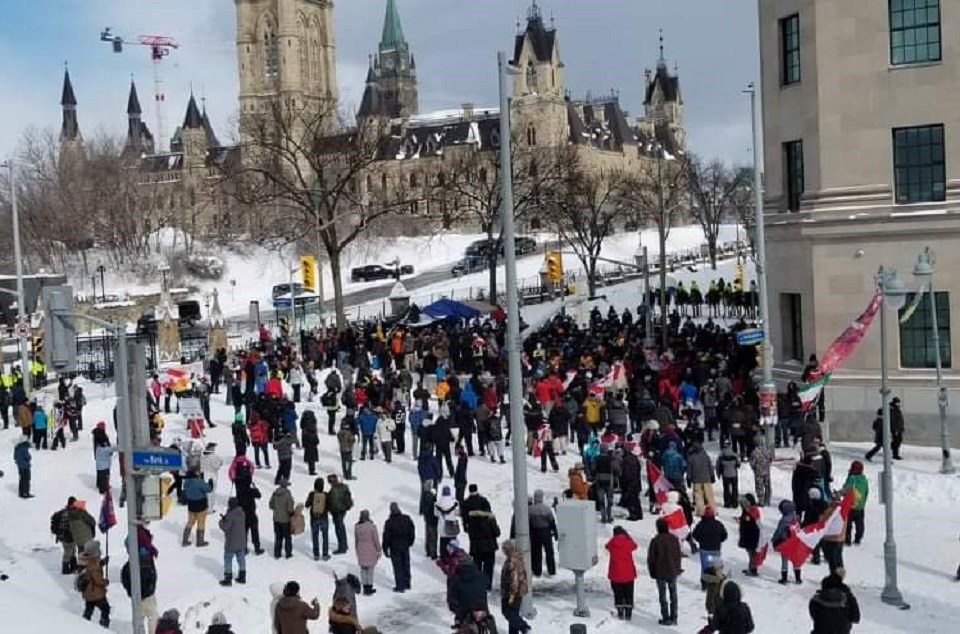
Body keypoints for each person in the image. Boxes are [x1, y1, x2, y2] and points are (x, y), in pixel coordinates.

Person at [648, 517, 682, 626]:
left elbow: (651, 559)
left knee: (662, 596)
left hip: (660, 572)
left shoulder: (655, 540)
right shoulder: (674, 539)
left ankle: (666, 617)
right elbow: (678, 555)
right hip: (672, 571)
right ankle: (674, 616)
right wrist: (678, 568)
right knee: (673, 595)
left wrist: (652, 572)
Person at [121, 553, 159, 634]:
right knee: (152, 617)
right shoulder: (148, 560)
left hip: (137, 596)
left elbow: (124, 577)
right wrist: (151, 589)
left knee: (139, 618)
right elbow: (154, 577)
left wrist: (130, 591)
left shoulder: (131, 562)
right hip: (148, 596)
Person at [382, 501, 415, 592]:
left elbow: (386, 537)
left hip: (394, 548)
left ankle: (400, 586)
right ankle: (407, 583)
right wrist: (410, 542)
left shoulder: (389, 522)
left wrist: (385, 548)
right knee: (406, 564)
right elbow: (412, 531)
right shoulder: (406, 518)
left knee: (398, 567)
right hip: (405, 546)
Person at [606, 526, 638, 620]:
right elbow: (635, 545)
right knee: (629, 593)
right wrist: (628, 537)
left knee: (618, 593)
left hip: (615, 573)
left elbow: (606, 546)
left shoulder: (612, 543)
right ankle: (628, 613)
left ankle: (620, 611)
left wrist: (614, 538)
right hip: (628, 573)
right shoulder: (628, 543)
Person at [77, 539, 110, 627]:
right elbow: (98, 579)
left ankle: (84, 625)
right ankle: (104, 626)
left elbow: (93, 570)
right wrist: (105, 582)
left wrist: (102, 562)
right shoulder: (93, 565)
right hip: (96, 592)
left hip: (88, 592)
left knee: (89, 610)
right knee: (106, 609)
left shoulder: (86, 560)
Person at [500, 540, 531, 634]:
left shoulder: (512, 562)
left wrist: (512, 596)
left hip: (512, 593)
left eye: (504, 549)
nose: (503, 551)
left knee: (508, 613)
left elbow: (514, 580)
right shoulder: (517, 558)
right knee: (513, 613)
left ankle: (524, 627)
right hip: (517, 592)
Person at [528, 489, 558, 577]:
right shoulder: (547, 508)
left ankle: (537, 571)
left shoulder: (530, 509)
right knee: (549, 552)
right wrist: (555, 532)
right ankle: (551, 570)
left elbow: (528, 522)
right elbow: (552, 522)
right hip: (546, 532)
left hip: (535, 533)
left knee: (536, 552)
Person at [692, 506, 727, 579]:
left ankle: (704, 585)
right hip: (716, 549)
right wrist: (719, 541)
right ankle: (716, 583)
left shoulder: (701, 524)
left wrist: (700, 541)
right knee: (716, 567)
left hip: (704, 549)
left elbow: (694, 535)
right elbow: (724, 535)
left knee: (705, 568)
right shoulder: (718, 524)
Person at [219, 496, 247, 586]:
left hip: (231, 541)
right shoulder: (242, 513)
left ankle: (228, 578)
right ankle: (242, 576)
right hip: (241, 540)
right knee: (241, 559)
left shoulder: (230, 515)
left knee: (228, 559)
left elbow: (225, 527)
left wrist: (221, 521)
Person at [772, 499, 802, 584]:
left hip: (786, 542)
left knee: (784, 560)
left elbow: (779, 531)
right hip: (795, 541)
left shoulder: (784, 520)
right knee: (796, 560)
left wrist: (774, 538)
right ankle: (798, 578)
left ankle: (784, 578)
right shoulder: (797, 517)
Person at [355, 509, 382, 595]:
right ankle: (369, 587)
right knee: (370, 570)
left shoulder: (357, 527)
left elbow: (356, 540)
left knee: (363, 569)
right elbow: (376, 540)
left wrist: (357, 550)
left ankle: (365, 587)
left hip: (361, 548)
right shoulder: (372, 527)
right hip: (370, 549)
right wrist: (378, 549)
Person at [182, 470, 212, 547]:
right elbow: (209, 489)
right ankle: (200, 541)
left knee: (190, 522)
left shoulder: (186, 483)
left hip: (191, 506)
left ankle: (185, 540)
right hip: (201, 505)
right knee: (201, 522)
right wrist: (210, 483)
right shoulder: (198, 482)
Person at [843, 461, 868, 546]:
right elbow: (866, 491)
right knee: (860, 523)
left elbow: (846, 489)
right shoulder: (864, 479)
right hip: (860, 506)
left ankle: (847, 540)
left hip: (851, 505)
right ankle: (858, 539)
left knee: (848, 524)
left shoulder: (852, 478)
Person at [327, 473, 353, 554]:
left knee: (339, 529)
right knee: (342, 527)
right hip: (343, 510)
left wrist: (330, 510)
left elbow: (334, 503)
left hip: (337, 512)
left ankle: (342, 547)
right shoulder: (344, 486)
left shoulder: (333, 491)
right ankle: (344, 544)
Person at [305, 477, 330, 561]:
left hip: (314, 518)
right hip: (324, 518)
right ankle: (325, 554)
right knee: (325, 536)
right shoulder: (326, 494)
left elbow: (307, 505)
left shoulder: (312, 494)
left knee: (315, 536)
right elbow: (329, 506)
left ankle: (316, 555)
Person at [269, 478, 295, 559]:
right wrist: (292, 513)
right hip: (285, 520)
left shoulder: (275, 493)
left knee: (278, 537)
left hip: (276, 519)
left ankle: (277, 553)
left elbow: (271, 505)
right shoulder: (287, 494)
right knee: (287, 537)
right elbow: (290, 508)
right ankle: (288, 553)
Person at [688, 443, 716, 516]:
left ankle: (700, 511)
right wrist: (712, 476)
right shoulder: (706, 456)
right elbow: (710, 467)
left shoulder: (691, 457)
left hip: (696, 480)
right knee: (709, 495)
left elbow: (689, 470)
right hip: (706, 479)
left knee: (698, 496)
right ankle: (713, 510)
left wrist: (688, 478)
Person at [435, 483, 461, 554]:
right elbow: (458, 513)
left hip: (442, 527)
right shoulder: (454, 502)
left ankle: (444, 557)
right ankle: (453, 557)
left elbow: (436, 514)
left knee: (443, 543)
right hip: (452, 526)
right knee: (453, 543)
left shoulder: (438, 503)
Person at [419, 480, 439, 560]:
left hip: (427, 518)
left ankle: (428, 551)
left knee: (428, 535)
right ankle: (433, 553)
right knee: (433, 536)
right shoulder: (431, 497)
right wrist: (435, 497)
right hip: (433, 519)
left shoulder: (424, 496)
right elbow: (434, 507)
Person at [716, 443, 740, 508]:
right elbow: (738, 464)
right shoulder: (734, 454)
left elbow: (718, 466)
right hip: (734, 474)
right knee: (734, 488)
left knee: (726, 489)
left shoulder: (721, 456)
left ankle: (727, 502)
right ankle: (735, 502)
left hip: (725, 475)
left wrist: (718, 474)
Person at [300, 410, 320, 476]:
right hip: (312, 442)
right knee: (312, 457)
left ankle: (311, 468)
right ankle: (312, 470)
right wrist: (316, 440)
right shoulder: (312, 422)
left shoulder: (304, 422)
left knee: (309, 455)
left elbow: (301, 427)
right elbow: (314, 433)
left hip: (306, 441)